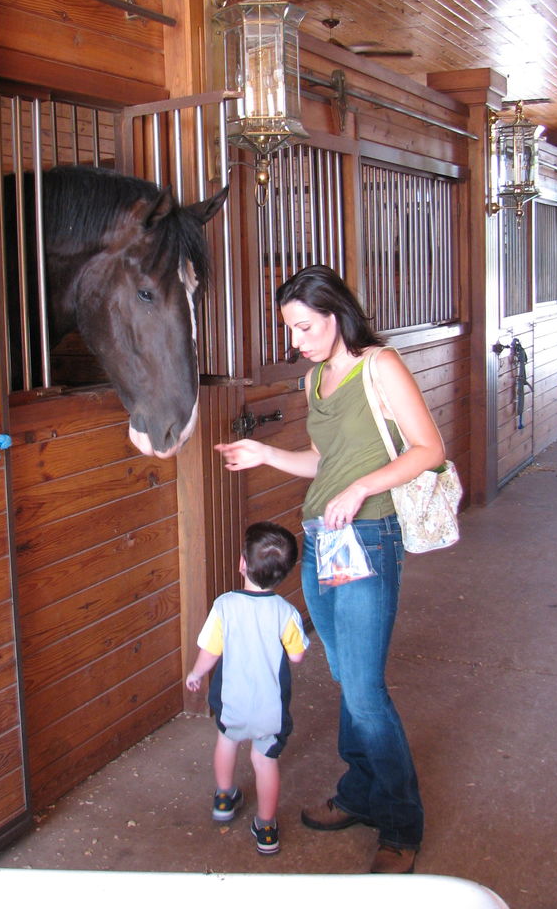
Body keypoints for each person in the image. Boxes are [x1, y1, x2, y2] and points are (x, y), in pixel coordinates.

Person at [215, 264, 445, 875]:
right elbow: (324, 460)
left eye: (304, 326)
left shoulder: (381, 366)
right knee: (347, 678)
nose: (296, 340)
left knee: (365, 691)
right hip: (322, 539)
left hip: (370, 535)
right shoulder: (316, 380)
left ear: (336, 314)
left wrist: (363, 487)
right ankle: (361, 793)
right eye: (290, 328)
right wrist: (266, 453)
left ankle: (400, 824)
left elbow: (430, 449)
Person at [186, 520, 309, 855]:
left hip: (232, 702)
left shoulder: (225, 605)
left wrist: (196, 673)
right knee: (264, 760)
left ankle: (224, 798)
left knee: (227, 741)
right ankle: (266, 827)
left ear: (242, 564)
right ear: (284, 574)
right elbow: (296, 657)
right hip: (270, 708)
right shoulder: (286, 612)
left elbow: (211, 649)